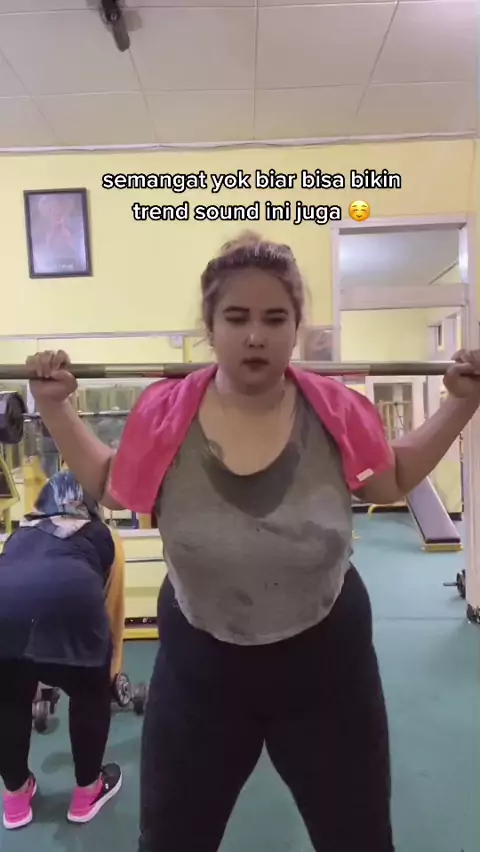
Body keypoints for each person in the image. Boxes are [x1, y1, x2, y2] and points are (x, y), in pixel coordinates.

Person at [25, 232, 480, 852]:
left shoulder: (336, 411)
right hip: (202, 665)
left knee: (359, 840)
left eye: (274, 318)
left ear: (296, 328)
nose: (256, 336)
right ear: (211, 328)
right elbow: (110, 484)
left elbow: (392, 477)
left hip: (326, 664)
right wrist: (55, 410)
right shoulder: (165, 414)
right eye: (237, 318)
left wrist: (460, 405)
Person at [0, 470, 125, 830]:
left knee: (8, 698)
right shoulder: (104, 535)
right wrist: (109, 673)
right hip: (73, 606)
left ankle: (15, 798)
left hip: (4, 613)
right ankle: (88, 792)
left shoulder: (20, 533)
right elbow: (112, 609)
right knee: (89, 693)